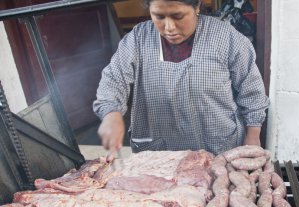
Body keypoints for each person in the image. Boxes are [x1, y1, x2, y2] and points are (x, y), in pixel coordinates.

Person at [93, 0, 269, 158]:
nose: (169, 27)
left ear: (197, 6)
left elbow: (251, 88)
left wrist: (252, 136)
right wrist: (111, 113)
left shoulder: (226, 37)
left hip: (218, 148)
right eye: (159, 16)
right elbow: (114, 77)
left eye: (178, 16)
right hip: (159, 152)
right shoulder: (139, 38)